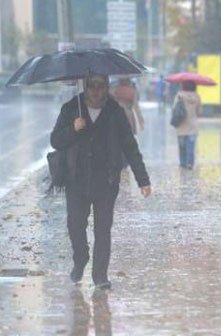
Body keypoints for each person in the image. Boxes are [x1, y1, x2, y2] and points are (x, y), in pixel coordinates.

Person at [51, 75, 152, 290]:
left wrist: (142, 179)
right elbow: (55, 140)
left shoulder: (115, 112)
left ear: (107, 87)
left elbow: (130, 147)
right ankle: (81, 259)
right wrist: (73, 128)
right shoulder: (71, 108)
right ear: (85, 87)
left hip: (106, 182)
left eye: (101, 86)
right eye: (92, 86)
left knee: (103, 229)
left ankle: (100, 275)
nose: (96, 91)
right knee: (75, 226)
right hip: (76, 181)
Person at [173, 80, 202, 169]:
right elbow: (199, 112)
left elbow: (174, 108)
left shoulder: (179, 95)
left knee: (182, 147)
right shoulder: (197, 96)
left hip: (181, 125)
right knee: (191, 146)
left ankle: (183, 163)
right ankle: (190, 163)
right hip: (193, 125)